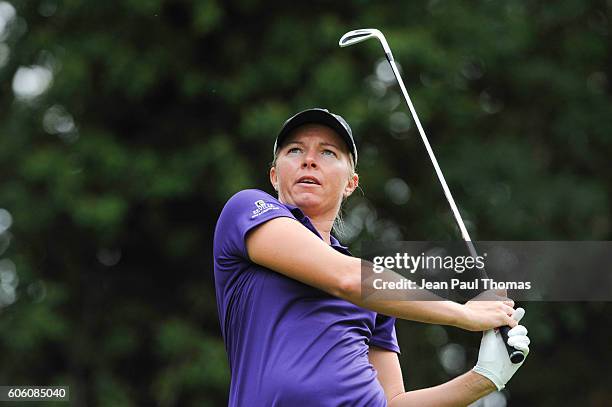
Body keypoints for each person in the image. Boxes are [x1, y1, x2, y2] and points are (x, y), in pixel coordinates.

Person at [213, 108, 530, 406]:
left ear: (351, 183)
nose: (309, 160)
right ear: (274, 176)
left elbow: (393, 402)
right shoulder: (246, 210)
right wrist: (463, 314)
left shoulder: (378, 293)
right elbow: (346, 278)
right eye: (294, 150)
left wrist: (485, 377)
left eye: (328, 152)